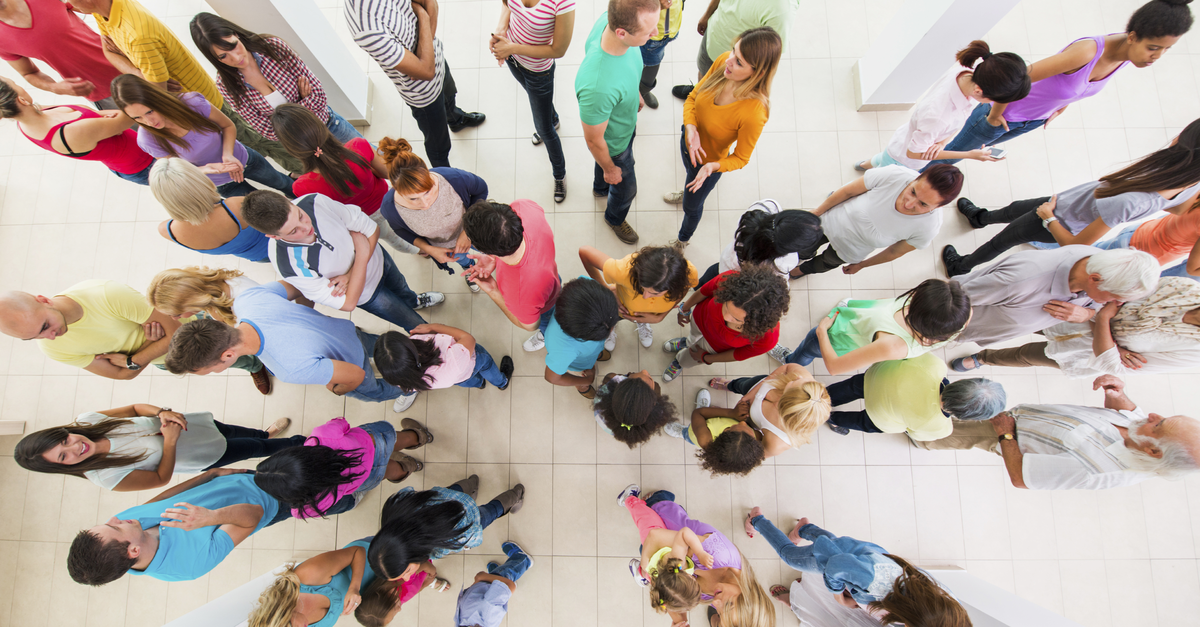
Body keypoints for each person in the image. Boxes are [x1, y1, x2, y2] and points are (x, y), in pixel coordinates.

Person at [929, 0, 1195, 166]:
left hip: (1029, 121)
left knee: (962, 155)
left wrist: (1063, 104)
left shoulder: (1126, 56)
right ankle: (911, 183)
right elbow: (1016, 78)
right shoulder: (1087, 53)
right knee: (949, 155)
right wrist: (995, 115)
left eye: (1165, 50)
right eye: (1153, 48)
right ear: (1133, 36)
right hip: (1001, 115)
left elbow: (1076, 85)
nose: (1157, 57)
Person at [943, 118, 1200, 276]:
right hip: (1064, 204)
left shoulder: (1134, 200)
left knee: (1001, 242)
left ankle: (961, 267)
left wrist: (1048, 219)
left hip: (1057, 219)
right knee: (1014, 208)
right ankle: (980, 218)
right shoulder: (1186, 182)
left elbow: (1076, 246)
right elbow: (1177, 209)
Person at [69, 0, 299, 170]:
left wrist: (144, 80)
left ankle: (303, 170)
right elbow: (108, 51)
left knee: (256, 140)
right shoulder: (105, 12)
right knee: (246, 143)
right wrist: (139, 72)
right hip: (188, 104)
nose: (67, 5)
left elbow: (156, 96)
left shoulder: (138, 35)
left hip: (202, 102)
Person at [916, 375, 1200, 491]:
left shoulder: (1099, 472)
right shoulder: (1144, 433)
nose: (1153, 416)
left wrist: (1006, 434)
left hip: (1002, 435)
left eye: (1160, 425)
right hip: (1017, 417)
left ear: (1154, 452)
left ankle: (917, 432)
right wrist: (1117, 393)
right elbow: (1128, 414)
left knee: (949, 431)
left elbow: (1020, 478)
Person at [163, 281, 408, 407]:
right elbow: (297, 286)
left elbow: (355, 375)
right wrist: (304, 323)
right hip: (348, 332)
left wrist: (336, 389)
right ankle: (411, 352)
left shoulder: (288, 369)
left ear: (227, 356)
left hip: (352, 363)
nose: (212, 373)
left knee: (374, 391)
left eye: (208, 370)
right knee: (383, 347)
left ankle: (410, 385)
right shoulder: (247, 301)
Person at [240, 190, 443, 341]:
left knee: (403, 288)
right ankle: (437, 342)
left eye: (300, 215)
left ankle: (414, 300)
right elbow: (348, 303)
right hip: (370, 295)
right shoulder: (289, 265)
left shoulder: (314, 201)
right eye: (294, 231)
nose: (307, 227)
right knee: (413, 323)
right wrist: (362, 256)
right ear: (274, 236)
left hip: (381, 261)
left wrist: (349, 275)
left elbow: (371, 230)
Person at [744, 509, 970, 626]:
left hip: (866, 554)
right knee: (790, 556)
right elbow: (836, 565)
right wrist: (838, 596)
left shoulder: (939, 600)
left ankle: (804, 529)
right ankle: (757, 520)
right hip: (847, 561)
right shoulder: (874, 582)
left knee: (830, 539)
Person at [67, 468, 286, 585]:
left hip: (245, 477)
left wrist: (210, 475)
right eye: (115, 527)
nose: (115, 518)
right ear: (134, 551)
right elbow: (255, 514)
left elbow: (162, 500)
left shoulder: (128, 528)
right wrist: (211, 517)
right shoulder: (188, 565)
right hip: (279, 497)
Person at [665, 27, 781, 247]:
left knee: (691, 208)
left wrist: (711, 168)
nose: (729, 61)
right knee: (689, 175)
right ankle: (687, 186)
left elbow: (741, 158)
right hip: (688, 141)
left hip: (707, 165)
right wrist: (690, 128)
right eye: (733, 52)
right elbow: (692, 97)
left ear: (757, 73)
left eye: (739, 62)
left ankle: (682, 241)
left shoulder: (755, 112)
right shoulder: (722, 64)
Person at [953, 277, 1200, 377]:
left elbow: (1113, 365)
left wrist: (1103, 322)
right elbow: (1121, 288)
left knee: (1027, 355)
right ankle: (960, 326)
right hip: (1078, 312)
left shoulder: (1193, 352)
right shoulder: (1184, 288)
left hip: (1087, 350)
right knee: (1018, 321)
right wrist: (1095, 314)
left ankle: (985, 358)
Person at [14, 406, 299, 491]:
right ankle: (298, 445)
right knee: (251, 447)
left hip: (196, 426)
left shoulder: (87, 421)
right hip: (203, 453)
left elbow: (137, 408)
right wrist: (170, 441)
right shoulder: (106, 477)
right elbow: (160, 479)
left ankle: (266, 434)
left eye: (65, 439)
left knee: (242, 433)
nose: (76, 446)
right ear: (60, 467)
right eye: (64, 456)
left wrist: (163, 413)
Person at [343, 0, 485, 168]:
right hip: (423, 95)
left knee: (449, 97)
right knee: (439, 145)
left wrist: (426, 52)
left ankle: (456, 120)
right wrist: (423, 17)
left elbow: (431, 3)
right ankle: (446, 176)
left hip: (438, 58)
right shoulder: (366, 26)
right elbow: (426, 72)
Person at [190, 13, 365, 148]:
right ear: (215, 59)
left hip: (328, 123)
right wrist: (302, 100)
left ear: (236, 34)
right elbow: (268, 132)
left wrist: (282, 119)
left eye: (233, 45)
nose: (235, 58)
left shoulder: (271, 47)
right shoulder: (226, 85)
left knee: (376, 158)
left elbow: (318, 95)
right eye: (223, 56)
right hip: (305, 144)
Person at [856, 40, 1029, 171]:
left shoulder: (970, 73)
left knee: (883, 158)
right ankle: (846, 191)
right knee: (876, 180)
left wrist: (942, 142)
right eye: (992, 100)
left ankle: (864, 164)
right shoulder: (938, 116)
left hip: (902, 141)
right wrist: (969, 154)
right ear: (979, 91)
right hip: (903, 160)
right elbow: (913, 153)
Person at [113, 75, 295, 197]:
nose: (149, 121)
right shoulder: (147, 139)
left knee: (284, 183)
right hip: (221, 183)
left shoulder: (191, 103)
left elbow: (227, 125)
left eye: (149, 111)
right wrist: (207, 169)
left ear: (157, 99)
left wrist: (228, 155)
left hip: (244, 159)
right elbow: (177, 170)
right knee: (266, 208)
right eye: (137, 118)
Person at [272, 107, 417, 254]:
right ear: (320, 126)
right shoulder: (358, 147)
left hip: (365, 219)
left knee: (393, 238)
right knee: (411, 223)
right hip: (390, 200)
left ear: (291, 150)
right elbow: (387, 173)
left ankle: (420, 251)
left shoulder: (301, 187)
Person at [575, 0, 662, 245]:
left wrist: (633, 92)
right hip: (615, 145)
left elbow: (624, 71)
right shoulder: (597, 87)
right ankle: (614, 217)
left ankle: (600, 188)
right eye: (648, 31)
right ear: (622, 33)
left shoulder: (610, 20)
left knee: (604, 172)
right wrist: (611, 169)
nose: (655, 33)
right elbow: (594, 140)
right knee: (627, 189)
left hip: (623, 122)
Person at [953, 246, 1160, 347]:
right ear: (1095, 279)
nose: (1117, 304)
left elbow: (1097, 305)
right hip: (945, 325)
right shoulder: (1021, 279)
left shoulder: (1098, 264)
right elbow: (950, 300)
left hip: (968, 332)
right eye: (1115, 297)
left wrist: (1088, 313)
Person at [792, 164, 963, 279]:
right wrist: (816, 212)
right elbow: (847, 192)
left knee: (827, 261)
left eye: (923, 204)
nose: (909, 204)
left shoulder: (929, 228)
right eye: (912, 191)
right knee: (807, 243)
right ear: (915, 179)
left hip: (850, 250)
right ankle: (803, 254)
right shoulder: (895, 174)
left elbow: (894, 252)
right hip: (830, 221)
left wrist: (863, 265)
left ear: (939, 206)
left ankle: (803, 270)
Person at [770, 279, 971, 376]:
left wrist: (822, 332)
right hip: (858, 318)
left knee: (808, 349)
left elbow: (835, 367)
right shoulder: (956, 318)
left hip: (835, 337)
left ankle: (790, 361)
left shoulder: (893, 345)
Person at [641, 490, 776, 627]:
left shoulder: (721, 592)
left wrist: (680, 621)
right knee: (656, 507)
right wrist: (644, 565)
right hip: (663, 523)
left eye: (720, 614)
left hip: (663, 551)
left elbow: (674, 583)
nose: (715, 603)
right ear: (750, 595)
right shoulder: (718, 555)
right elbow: (655, 536)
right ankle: (658, 498)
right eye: (729, 604)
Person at [0, 280, 183, 380]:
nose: (49, 337)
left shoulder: (105, 294)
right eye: (34, 337)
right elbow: (121, 375)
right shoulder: (50, 347)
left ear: (44, 300)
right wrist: (151, 341)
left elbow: (178, 332)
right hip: (168, 361)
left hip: (194, 326)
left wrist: (131, 361)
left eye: (45, 326)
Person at [254, 417, 432, 519]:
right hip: (374, 443)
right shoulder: (319, 438)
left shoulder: (313, 502)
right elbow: (341, 423)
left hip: (365, 478)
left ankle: (410, 466)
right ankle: (420, 437)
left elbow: (299, 512)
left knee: (386, 471)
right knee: (396, 439)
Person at [488, 0, 575, 201]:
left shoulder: (562, 3)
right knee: (536, 99)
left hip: (538, 71)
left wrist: (512, 47)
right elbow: (507, 5)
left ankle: (559, 174)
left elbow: (558, 50)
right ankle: (553, 118)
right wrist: (500, 31)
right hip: (513, 60)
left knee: (544, 128)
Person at [376, 136, 490, 287]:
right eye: (413, 199)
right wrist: (429, 249)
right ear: (396, 189)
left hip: (475, 230)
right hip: (448, 248)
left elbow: (481, 189)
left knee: (491, 249)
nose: (425, 204)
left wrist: (467, 230)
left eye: (428, 192)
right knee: (464, 260)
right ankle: (470, 268)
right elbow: (401, 230)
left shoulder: (453, 179)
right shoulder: (390, 208)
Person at [0, 75, 154, 184]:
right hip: (144, 162)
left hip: (139, 145)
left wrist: (104, 123)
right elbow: (126, 120)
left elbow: (90, 113)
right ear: (21, 100)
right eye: (16, 84)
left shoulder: (31, 117)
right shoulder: (69, 133)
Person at [368, 476, 526, 579]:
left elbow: (474, 536)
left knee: (491, 510)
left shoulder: (441, 542)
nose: (408, 578)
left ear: (411, 553)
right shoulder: (392, 510)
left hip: (470, 515)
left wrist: (468, 544)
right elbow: (409, 492)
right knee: (456, 489)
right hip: (443, 497)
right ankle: (472, 483)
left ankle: (515, 495)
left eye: (407, 572)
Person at [819, 354, 1007, 438]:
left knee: (850, 387)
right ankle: (833, 419)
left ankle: (820, 400)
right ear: (968, 416)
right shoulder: (940, 427)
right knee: (863, 422)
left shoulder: (935, 365)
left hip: (874, 379)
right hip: (879, 414)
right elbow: (914, 434)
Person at [462, 199, 561, 351]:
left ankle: (546, 335)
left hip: (544, 305)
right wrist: (495, 258)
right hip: (551, 275)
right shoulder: (523, 207)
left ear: (484, 250)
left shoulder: (520, 294)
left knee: (548, 325)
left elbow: (530, 326)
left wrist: (493, 291)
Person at [662, 264, 790, 382]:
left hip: (712, 346)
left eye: (737, 319)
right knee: (693, 337)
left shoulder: (767, 338)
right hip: (700, 319)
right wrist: (685, 309)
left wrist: (706, 358)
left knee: (689, 358)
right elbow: (704, 291)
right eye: (726, 307)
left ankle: (679, 362)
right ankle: (687, 342)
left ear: (756, 321)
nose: (726, 317)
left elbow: (738, 355)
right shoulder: (729, 280)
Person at [0, 0, 121, 108]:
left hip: (126, 58)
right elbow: (28, 73)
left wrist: (118, 35)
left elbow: (101, 9)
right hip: (100, 90)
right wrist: (54, 87)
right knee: (135, 130)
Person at [615, 484, 713, 615]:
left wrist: (700, 553)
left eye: (693, 582)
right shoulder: (662, 586)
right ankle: (641, 574)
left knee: (641, 514)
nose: (695, 580)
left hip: (652, 532)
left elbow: (684, 533)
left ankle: (628, 499)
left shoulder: (677, 561)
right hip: (651, 568)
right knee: (647, 574)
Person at [671, 0, 798, 99]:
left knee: (719, 95)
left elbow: (770, 58)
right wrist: (707, 15)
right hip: (713, 38)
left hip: (736, 63)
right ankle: (698, 93)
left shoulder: (782, 10)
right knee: (704, 75)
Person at [149, 158, 271, 262]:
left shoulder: (167, 230)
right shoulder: (234, 205)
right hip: (277, 241)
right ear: (201, 181)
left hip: (257, 257)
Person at [580, 244, 698, 350]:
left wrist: (661, 316)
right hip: (620, 308)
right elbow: (585, 252)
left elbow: (686, 287)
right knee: (612, 316)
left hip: (651, 313)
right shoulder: (624, 270)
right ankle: (611, 324)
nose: (645, 296)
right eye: (643, 287)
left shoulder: (689, 273)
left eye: (654, 293)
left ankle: (642, 322)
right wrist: (605, 289)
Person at [705, 363, 831, 455]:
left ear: (784, 404)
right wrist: (751, 394)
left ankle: (722, 416)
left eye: (792, 384)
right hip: (756, 385)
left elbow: (753, 455)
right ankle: (729, 385)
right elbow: (787, 368)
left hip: (746, 423)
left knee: (732, 424)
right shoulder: (807, 385)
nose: (797, 377)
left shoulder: (777, 441)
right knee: (740, 384)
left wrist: (733, 415)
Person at [247, 541, 376, 627]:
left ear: (284, 612)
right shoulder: (302, 622)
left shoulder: (306, 576)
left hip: (375, 558)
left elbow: (357, 552)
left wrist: (354, 588)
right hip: (375, 588)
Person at [699, 199, 823, 286]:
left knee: (713, 274)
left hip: (727, 258)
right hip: (737, 279)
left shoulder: (765, 207)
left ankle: (697, 285)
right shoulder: (782, 264)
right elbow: (780, 285)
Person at [374, 323, 515, 391]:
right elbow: (468, 338)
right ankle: (501, 382)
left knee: (467, 380)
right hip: (470, 360)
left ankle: (479, 384)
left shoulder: (404, 380)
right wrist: (431, 327)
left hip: (458, 378)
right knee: (486, 363)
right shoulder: (452, 358)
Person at [543, 277, 619, 399]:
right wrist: (586, 380)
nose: (611, 331)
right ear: (578, 335)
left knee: (593, 352)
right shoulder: (562, 349)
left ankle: (597, 354)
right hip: (578, 363)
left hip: (589, 351)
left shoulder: (588, 291)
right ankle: (582, 387)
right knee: (583, 373)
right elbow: (552, 377)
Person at [1094, 196, 1200, 280]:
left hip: (1138, 232)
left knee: (1087, 253)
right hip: (1136, 253)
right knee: (1091, 277)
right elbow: (1191, 269)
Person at [452, 540, 535, 627]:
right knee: (510, 571)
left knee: (498, 579)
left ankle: (496, 581)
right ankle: (524, 559)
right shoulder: (488, 614)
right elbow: (510, 585)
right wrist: (481, 577)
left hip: (485, 590)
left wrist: (476, 584)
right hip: (500, 582)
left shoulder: (463, 624)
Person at [593, 369, 678, 447]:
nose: (644, 371)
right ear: (654, 403)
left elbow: (608, 379)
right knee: (656, 386)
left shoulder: (604, 395)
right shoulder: (657, 417)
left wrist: (628, 376)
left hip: (607, 425)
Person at [355, 558, 450, 627]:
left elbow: (424, 564)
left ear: (387, 595)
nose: (399, 609)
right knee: (423, 581)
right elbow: (413, 592)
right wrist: (425, 584)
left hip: (422, 565)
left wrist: (432, 573)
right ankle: (430, 581)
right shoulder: (396, 599)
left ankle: (432, 579)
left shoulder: (404, 575)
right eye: (394, 615)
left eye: (395, 609)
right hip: (419, 580)